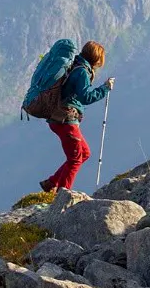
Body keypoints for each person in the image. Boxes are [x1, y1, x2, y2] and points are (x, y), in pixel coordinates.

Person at [39, 41, 114, 193]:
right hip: (66, 120)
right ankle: (63, 194)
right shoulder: (82, 72)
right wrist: (105, 88)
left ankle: (51, 182)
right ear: (96, 59)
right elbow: (86, 96)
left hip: (59, 119)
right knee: (75, 159)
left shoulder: (75, 65)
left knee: (84, 153)